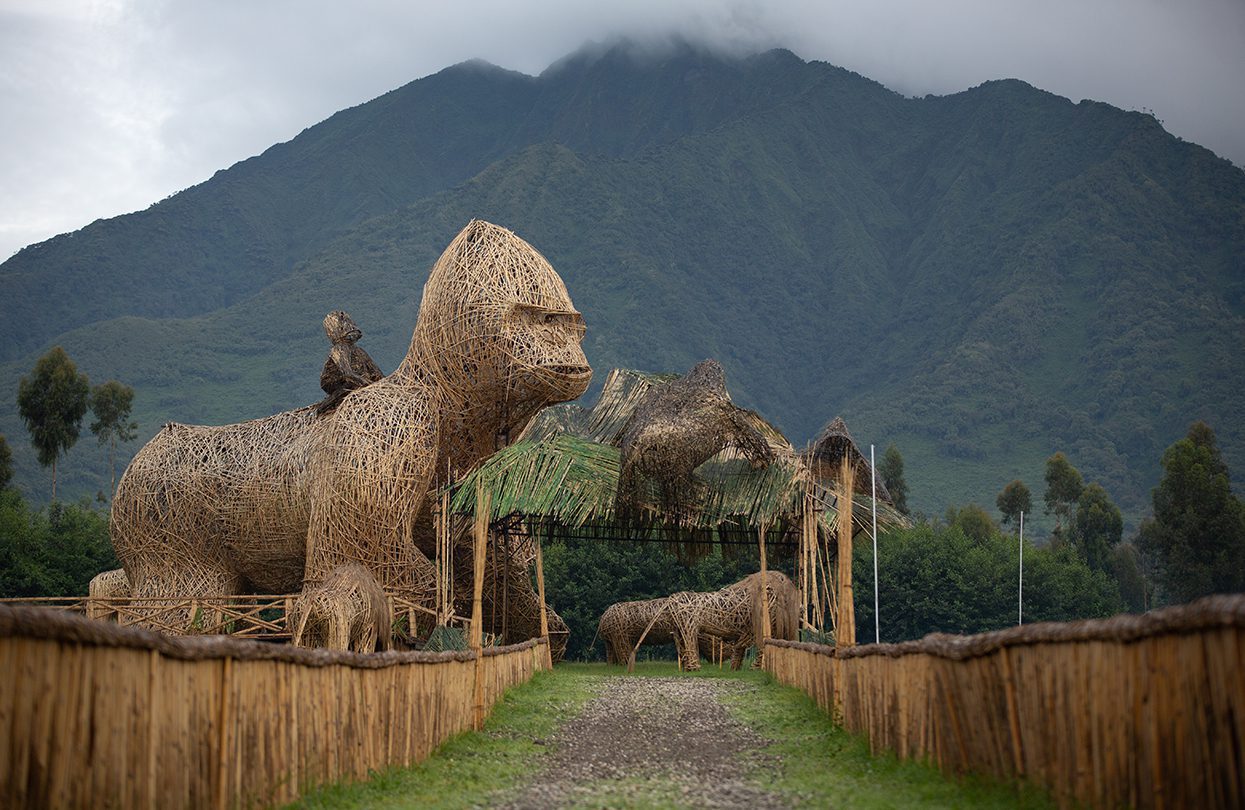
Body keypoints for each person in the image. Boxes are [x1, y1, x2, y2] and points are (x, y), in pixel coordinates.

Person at [316, 310, 383, 414]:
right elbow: (348, 373)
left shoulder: (359, 351)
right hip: (335, 382)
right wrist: (368, 385)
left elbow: (377, 373)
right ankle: (324, 407)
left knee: (363, 376)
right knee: (350, 384)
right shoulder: (339, 349)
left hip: (355, 379)